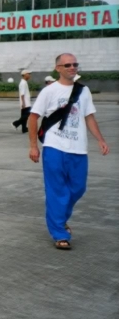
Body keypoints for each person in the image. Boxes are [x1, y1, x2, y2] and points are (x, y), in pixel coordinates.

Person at [28, 53, 109, 250]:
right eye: (67, 65)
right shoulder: (50, 91)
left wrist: (100, 139)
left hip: (79, 149)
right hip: (54, 147)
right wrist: (33, 146)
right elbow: (33, 118)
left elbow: (89, 117)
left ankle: (60, 217)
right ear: (58, 68)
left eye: (74, 64)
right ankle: (59, 233)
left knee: (78, 188)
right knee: (56, 191)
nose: (72, 68)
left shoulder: (84, 91)